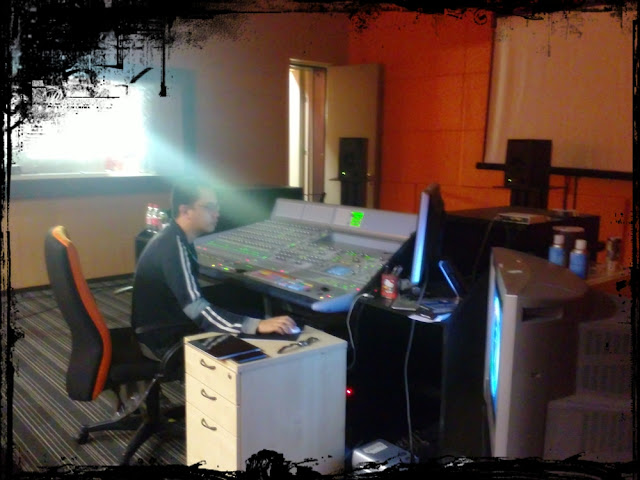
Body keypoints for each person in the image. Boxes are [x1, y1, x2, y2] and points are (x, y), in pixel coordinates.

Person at [131, 177, 297, 361]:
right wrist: (256, 325)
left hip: (158, 326)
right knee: (254, 344)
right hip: (163, 340)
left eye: (217, 207)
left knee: (241, 299)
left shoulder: (173, 237)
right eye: (209, 207)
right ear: (185, 211)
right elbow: (196, 308)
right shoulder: (173, 247)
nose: (216, 214)